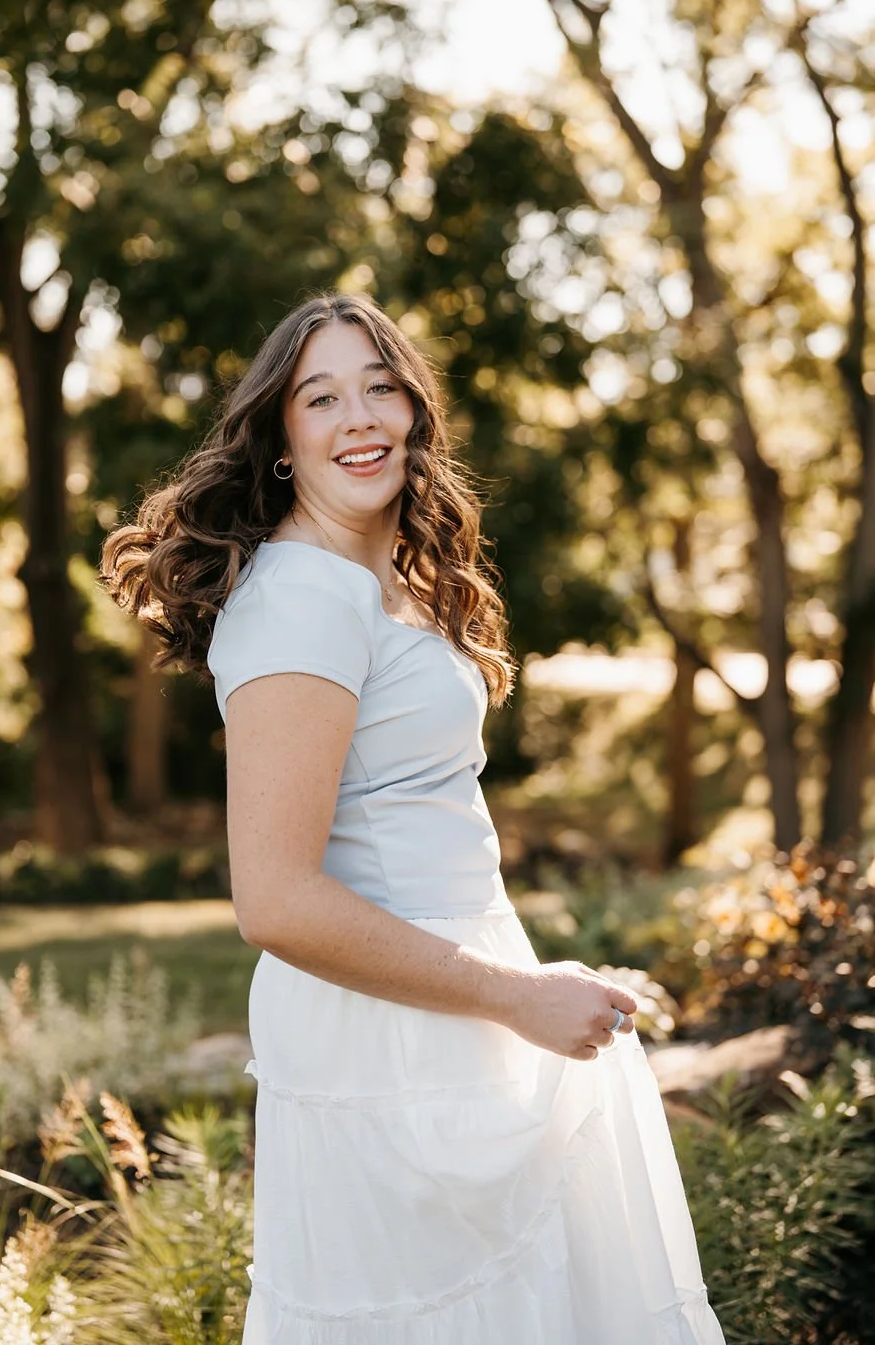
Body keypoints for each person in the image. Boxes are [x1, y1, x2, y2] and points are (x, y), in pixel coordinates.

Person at [101, 292, 726, 1344]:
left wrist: (525, 988)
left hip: (453, 1003)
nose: (359, 417)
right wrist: (512, 998)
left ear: (415, 413)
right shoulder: (302, 600)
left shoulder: (379, 587)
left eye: (380, 387)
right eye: (322, 397)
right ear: (282, 441)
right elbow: (276, 902)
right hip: (388, 1039)